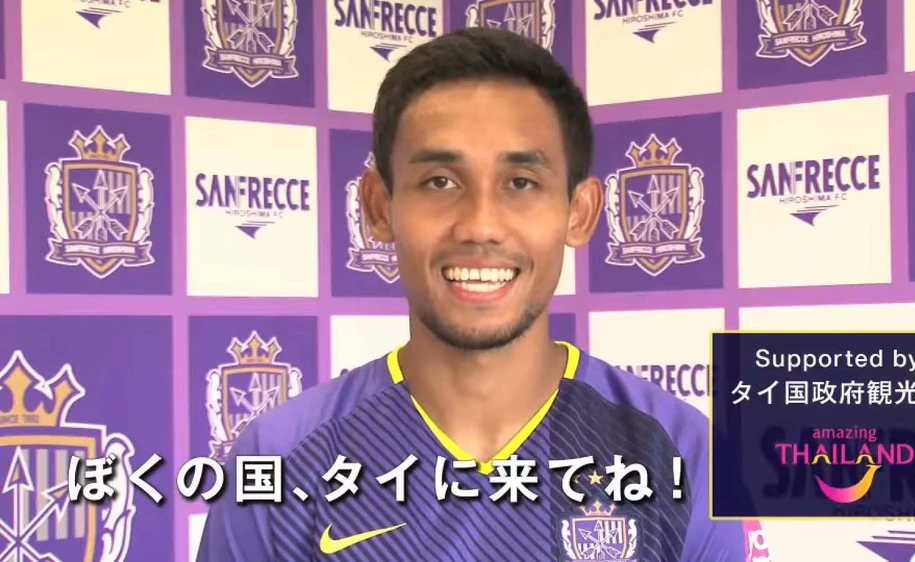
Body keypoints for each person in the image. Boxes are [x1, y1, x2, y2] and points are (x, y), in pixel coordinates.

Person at [196, 27, 745, 561]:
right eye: (440, 181)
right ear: (379, 208)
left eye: (521, 183)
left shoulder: (683, 454)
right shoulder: (280, 460)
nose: (481, 224)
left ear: (579, 213)